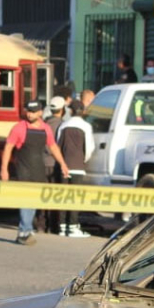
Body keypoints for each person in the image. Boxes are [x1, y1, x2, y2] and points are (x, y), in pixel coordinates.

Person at [1, 100, 69, 245]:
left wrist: (63, 164)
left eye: (33, 111)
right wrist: (4, 169)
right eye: (28, 111)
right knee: (26, 199)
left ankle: (24, 231)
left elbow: (53, 147)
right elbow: (8, 148)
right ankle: (25, 230)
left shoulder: (46, 129)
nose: (30, 114)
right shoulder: (19, 128)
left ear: (40, 112)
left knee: (33, 200)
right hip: (23, 169)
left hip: (38, 168)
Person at [57, 100, 95, 238]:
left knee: (63, 196)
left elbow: (57, 145)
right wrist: (83, 160)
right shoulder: (86, 126)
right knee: (75, 197)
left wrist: (61, 162)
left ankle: (62, 226)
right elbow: (89, 148)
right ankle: (73, 227)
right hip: (78, 166)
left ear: (70, 111)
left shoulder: (63, 125)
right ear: (83, 111)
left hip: (64, 166)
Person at [41, 92, 69, 234]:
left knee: (42, 195)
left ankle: (41, 224)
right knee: (53, 196)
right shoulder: (62, 125)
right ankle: (52, 226)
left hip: (41, 163)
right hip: (54, 164)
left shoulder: (43, 124)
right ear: (62, 109)